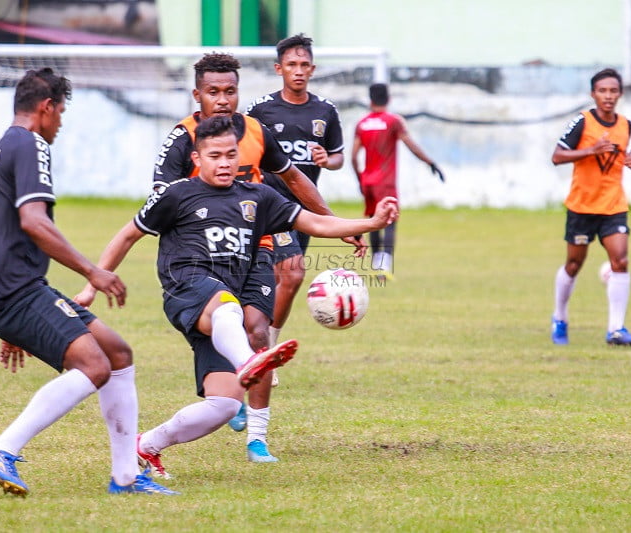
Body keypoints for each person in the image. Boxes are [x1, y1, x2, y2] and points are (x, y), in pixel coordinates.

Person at [74, 116, 398, 481]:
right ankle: (248, 361)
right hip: (187, 287)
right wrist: (91, 285)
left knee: (225, 405)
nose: (225, 162)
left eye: (231, 154)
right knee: (228, 306)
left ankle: (145, 444)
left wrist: (370, 224)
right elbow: (127, 236)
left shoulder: (257, 197)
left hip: (222, 305)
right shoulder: (177, 194)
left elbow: (316, 224)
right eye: (215, 155)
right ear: (197, 157)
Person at [0, 67, 176, 497]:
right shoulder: (31, 143)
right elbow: (33, 220)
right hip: (14, 289)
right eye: (60, 113)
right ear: (46, 108)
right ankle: (2, 449)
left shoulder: (2, 145)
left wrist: (11, 319)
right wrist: (92, 271)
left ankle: (125, 477)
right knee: (94, 365)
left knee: (117, 352)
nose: (60, 123)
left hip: (10, 288)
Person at [151, 51, 364, 464]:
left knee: (259, 327)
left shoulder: (255, 131)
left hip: (259, 240)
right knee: (238, 327)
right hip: (203, 258)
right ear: (198, 95)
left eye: (230, 91)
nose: (223, 100)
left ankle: (257, 438)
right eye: (214, 92)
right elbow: (159, 200)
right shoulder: (182, 139)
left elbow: (293, 179)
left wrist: (339, 222)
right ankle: (237, 378)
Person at [245, 33, 344, 398]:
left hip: (305, 208)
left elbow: (338, 157)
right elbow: (243, 147)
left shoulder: (325, 111)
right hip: (268, 207)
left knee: (278, 282)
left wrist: (326, 160)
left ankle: (259, 346)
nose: (298, 71)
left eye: (304, 65)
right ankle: (265, 348)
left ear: (313, 70)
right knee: (293, 273)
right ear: (279, 69)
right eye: (291, 65)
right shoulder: (260, 109)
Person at [549, 67, 631, 346]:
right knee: (574, 264)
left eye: (613, 91)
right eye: (602, 91)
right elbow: (556, 156)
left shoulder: (626, 125)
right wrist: (590, 151)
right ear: (593, 94)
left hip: (613, 205)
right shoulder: (582, 122)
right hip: (582, 206)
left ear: (620, 94)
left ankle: (616, 329)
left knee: (620, 260)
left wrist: (627, 161)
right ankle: (560, 317)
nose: (608, 96)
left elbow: (618, 154)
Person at [351, 83, 444, 277]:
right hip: (385, 182)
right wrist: (430, 162)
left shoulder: (362, 124)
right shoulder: (393, 121)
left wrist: (360, 180)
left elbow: (353, 156)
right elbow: (411, 145)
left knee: (373, 222)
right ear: (389, 99)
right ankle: (385, 267)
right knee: (390, 222)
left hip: (368, 181)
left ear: (370, 100)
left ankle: (377, 265)